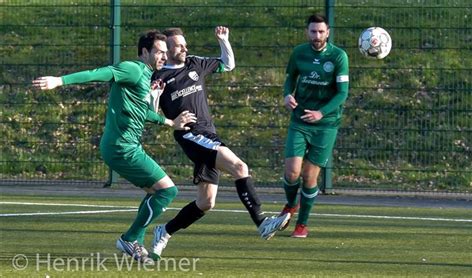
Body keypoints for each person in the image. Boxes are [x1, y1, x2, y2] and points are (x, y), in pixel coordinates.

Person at [32, 30, 197, 262]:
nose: (163, 56)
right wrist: (59, 81)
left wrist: (169, 122)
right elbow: (100, 73)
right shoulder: (133, 69)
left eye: (165, 52)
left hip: (126, 146)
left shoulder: (145, 75)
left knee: (155, 193)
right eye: (159, 52)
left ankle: (133, 242)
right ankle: (130, 239)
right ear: (145, 52)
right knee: (168, 191)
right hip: (121, 148)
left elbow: (142, 111)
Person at [149, 26, 290, 259]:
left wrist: (224, 40)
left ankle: (164, 231)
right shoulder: (159, 76)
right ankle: (262, 222)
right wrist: (163, 108)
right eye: (179, 45)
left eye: (185, 43)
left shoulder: (194, 63)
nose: (185, 47)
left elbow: (228, 64)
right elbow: (152, 113)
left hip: (207, 134)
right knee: (240, 167)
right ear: (168, 49)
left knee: (205, 202)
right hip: (190, 135)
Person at [280, 14, 349, 238]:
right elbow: (290, 78)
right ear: (307, 32)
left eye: (321, 32)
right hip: (299, 120)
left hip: (326, 125)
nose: (317, 36)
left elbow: (342, 93)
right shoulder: (299, 53)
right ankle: (291, 204)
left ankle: (302, 224)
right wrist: (287, 94)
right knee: (291, 173)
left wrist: (322, 112)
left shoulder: (339, 56)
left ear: (327, 32)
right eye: (313, 31)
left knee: (309, 176)